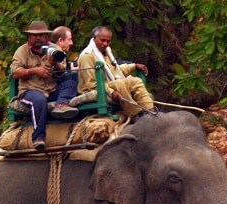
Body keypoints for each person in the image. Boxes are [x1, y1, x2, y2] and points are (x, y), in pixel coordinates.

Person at [10, 20, 78, 150]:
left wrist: (54, 63)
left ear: (46, 36)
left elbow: (63, 70)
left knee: (72, 81)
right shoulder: (22, 51)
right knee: (39, 99)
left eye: (41, 35)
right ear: (29, 36)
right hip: (30, 90)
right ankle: (38, 137)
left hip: (51, 90)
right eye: (35, 35)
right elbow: (15, 72)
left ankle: (61, 104)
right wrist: (34, 71)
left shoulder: (54, 49)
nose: (38, 38)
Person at [77, 26, 154, 119]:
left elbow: (115, 70)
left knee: (135, 81)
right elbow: (92, 84)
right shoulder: (87, 56)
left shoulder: (106, 52)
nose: (105, 43)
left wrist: (133, 66)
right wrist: (111, 92)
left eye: (108, 41)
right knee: (120, 83)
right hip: (95, 88)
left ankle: (150, 111)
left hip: (109, 83)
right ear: (94, 39)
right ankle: (135, 114)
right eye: (102, 40)